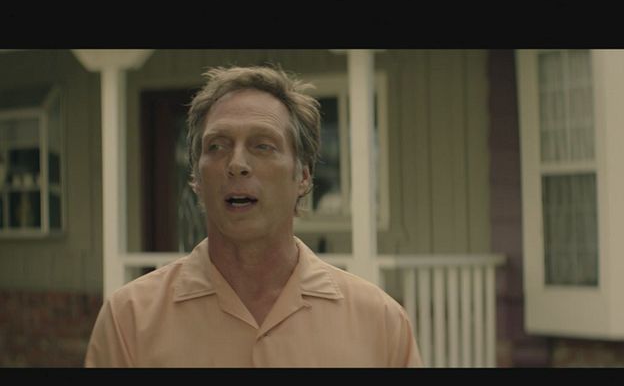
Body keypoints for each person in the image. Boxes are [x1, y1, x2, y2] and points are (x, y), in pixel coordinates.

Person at [85, 65, 422, 367]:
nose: (237, 164)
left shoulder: (380, 324)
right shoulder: (129, 321)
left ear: (303, 176)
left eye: (263, 146)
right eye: (217, 146)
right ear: (196, 177)